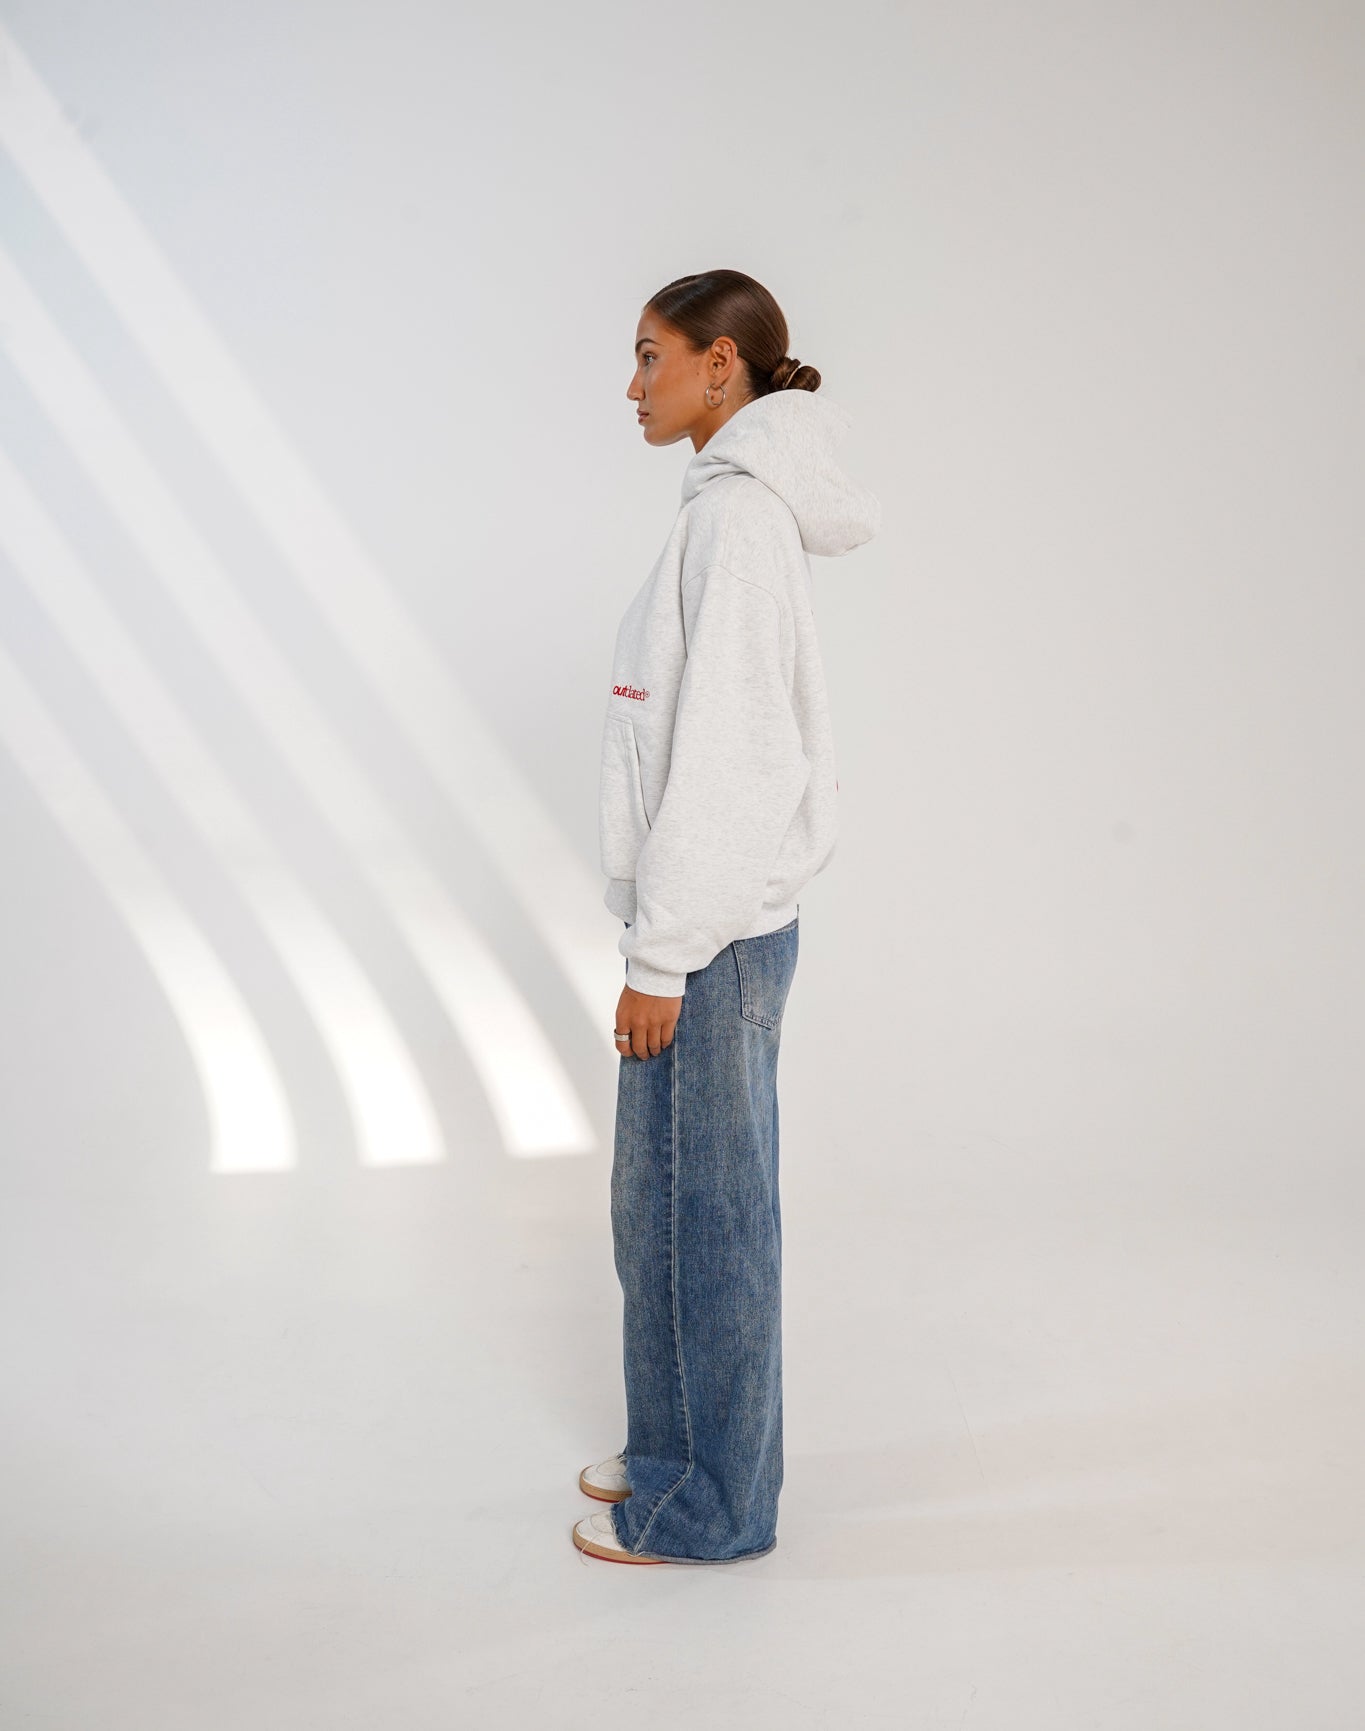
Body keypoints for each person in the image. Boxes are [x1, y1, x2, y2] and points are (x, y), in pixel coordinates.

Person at [571, 269, 881, 1565]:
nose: (631, 384)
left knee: (708, 1225)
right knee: (657, 1212)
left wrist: (662, 956)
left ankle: (713, 1506)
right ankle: (669, 1454)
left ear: (720, 364)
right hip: (699, 927)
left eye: (651, 355)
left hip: (712, 939)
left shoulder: (739, 520)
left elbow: (733, 760)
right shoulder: (719, 508)